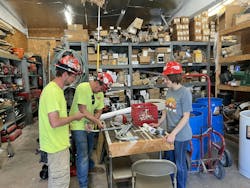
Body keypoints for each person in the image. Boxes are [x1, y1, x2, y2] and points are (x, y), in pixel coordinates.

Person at [38, 52, 85, 188]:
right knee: (60, 182)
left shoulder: (57, 90)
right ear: (65, 74)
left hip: (58, 144)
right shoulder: (52, 91)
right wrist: (74, 117)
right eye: (73, 76)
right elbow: (55, 122)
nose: (74, 80)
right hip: (56, 146)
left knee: (57, 181)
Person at [151, 61, 192, 188]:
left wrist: (173, 134)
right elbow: (166, 110)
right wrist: (159, 122)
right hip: (170, 133)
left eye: (167, 78)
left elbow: (186, 116)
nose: (165, 81)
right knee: (169, 162)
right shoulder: (169, 91)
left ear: (174, 77)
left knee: (179, 165)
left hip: (181, 135)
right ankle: (170, 184)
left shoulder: (185, 93)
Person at [69, 72, 113, 188]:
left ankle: (88, 169)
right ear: (97, 82)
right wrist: (96, 122)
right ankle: (83, 184)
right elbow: (82, 110)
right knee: (83, 154)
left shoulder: (100, 93)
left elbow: (99, 110)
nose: (101, 92)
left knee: (88, 151)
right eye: (101, 88)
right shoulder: (83, 87)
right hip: (78, 124)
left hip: (89, 124)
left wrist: (92, 121)